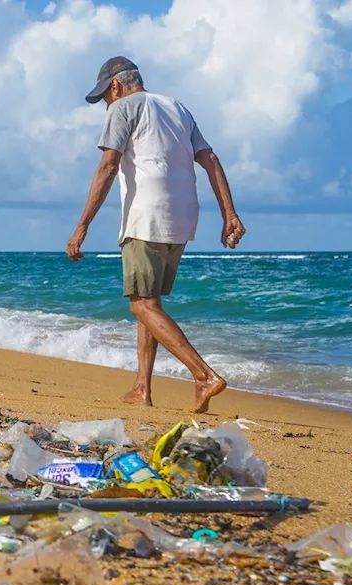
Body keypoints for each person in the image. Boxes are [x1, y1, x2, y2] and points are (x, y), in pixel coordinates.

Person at [66, 57, 245, 414]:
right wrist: (229, 214)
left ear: (115, 86)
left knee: (140, 304)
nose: (105, 102)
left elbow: (108, 166)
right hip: (182, 217)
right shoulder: (176, 107)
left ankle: (204, 375)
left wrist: (82, 225)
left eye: (105, 95)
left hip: (145, 215)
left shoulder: (122, 109)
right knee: (150, 305)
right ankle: (142, 388)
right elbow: (210, 158)